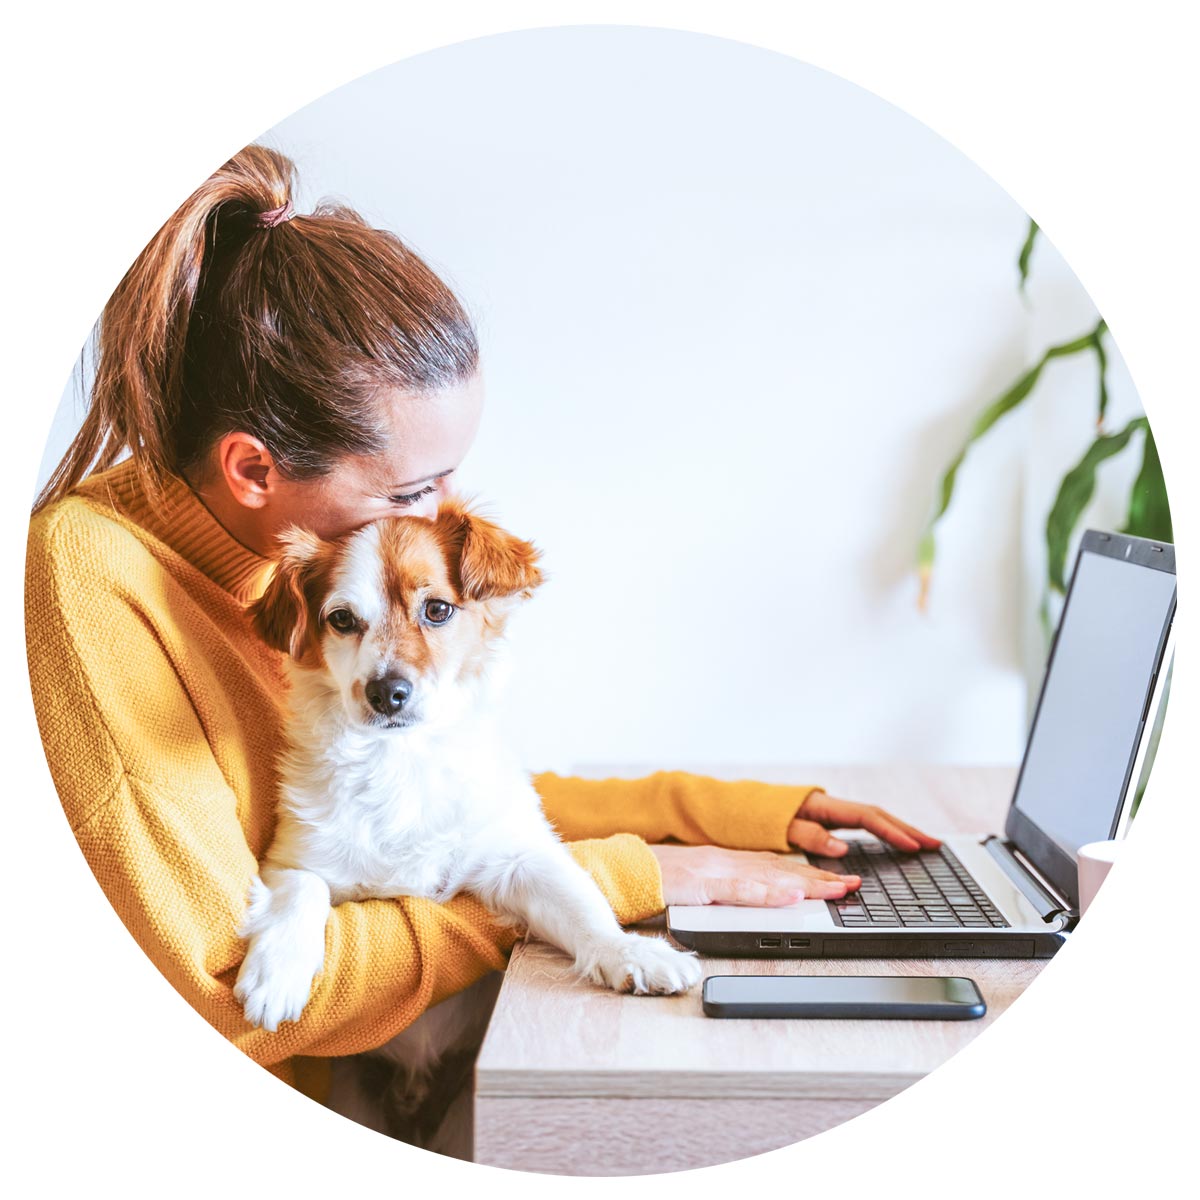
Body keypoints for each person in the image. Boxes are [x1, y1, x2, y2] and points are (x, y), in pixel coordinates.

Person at [25, 143, 940, 1123]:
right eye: (415, 489)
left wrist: (716, 812)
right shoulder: (93, 588)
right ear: (254, 471)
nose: (444, 520)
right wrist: (620, 878)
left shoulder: (287, 572)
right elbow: (228, 1000)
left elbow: (432, 807)